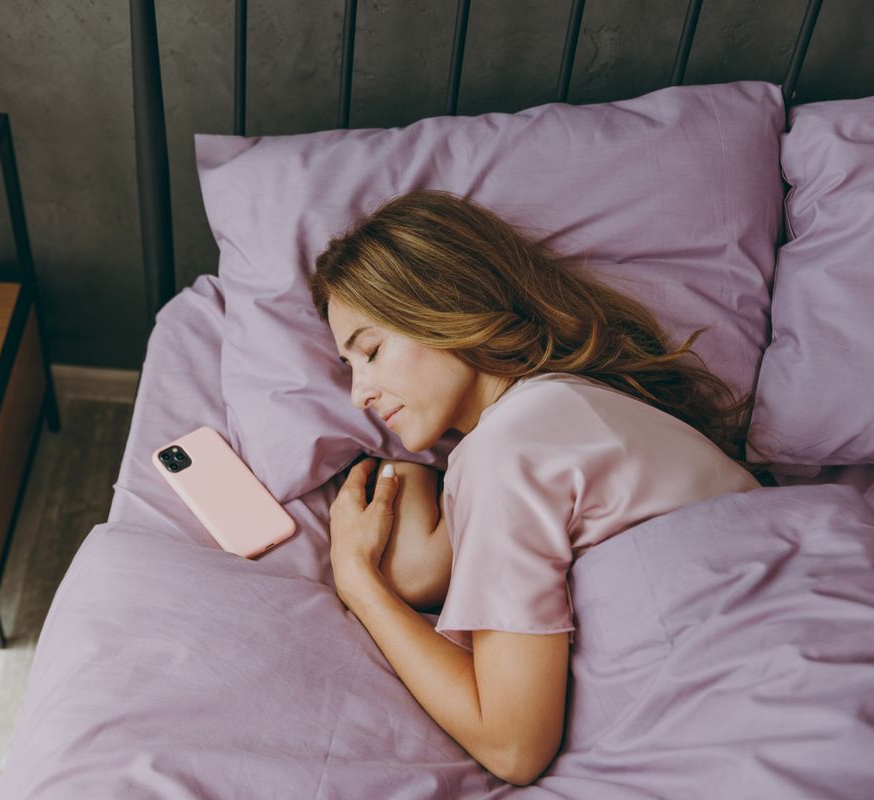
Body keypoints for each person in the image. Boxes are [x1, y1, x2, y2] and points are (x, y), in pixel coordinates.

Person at [308, 189, 769, 786]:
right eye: (349, 367)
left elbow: (513, 747)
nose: (359, 394)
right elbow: (425, 573)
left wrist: (358, 584)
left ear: (449, 305)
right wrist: (409, 470)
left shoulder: (509, 452)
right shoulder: (564, 405)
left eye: (370, 351)